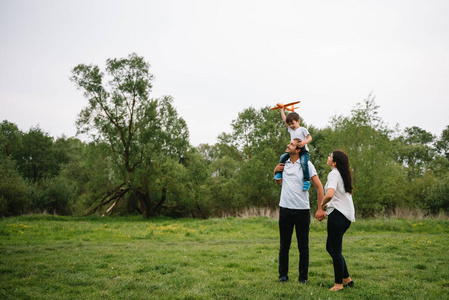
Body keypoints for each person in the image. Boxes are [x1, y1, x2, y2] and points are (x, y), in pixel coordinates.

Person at [273, 138, 326, 284]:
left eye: (291, 144)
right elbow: (279, 183)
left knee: (303, 247)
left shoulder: (307, 165)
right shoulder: (284, 163)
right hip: (285, 210)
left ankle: (303, 278)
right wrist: (275, 172)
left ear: (298, 150)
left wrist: (320, 208)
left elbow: (319, 187)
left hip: (302, 211)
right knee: (284, 246)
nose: (287, 145)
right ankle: (282, 276)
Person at [321, 150, 356, 292]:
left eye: (330, 156)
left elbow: (329, 194)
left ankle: (338, 284)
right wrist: (328, 206)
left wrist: (322, 205)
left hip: (338, 216)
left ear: (334, 162)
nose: (328, 157)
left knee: (335, 250)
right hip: (344, 216)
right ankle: (347, 279)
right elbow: (336, 197)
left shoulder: (334, 173)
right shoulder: (341, 174)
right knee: (330, 247)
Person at [273, 109, 312, 191]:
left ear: (298, 121)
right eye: (289, 124)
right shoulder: (290, 130)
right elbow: (284, 120)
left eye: (292, 123)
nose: (291, 126)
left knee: (303, 163)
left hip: (303, 151)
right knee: (282, 157)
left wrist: (304, 142)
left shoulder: (302, 129)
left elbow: (310, 138)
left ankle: (307, 180)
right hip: (293, 151)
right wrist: (281, 110)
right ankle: (279, 174)